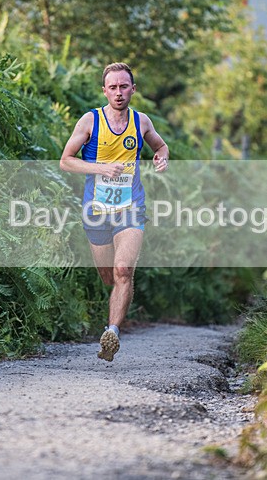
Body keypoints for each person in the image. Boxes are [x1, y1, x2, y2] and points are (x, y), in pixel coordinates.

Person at [60, 62, 169, 362]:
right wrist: (100, 168)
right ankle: (119, 302)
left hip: (130, 206)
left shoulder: (141, 121)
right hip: (96, 209)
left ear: (133, 89)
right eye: (113, 87)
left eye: (124, 86)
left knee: (123, 270)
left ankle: (112, 333)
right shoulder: (90, 121)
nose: (118, 93)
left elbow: (161, 146)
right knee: (109, 276)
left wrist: (162, 158)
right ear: (104, 90)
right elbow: (66, 161)